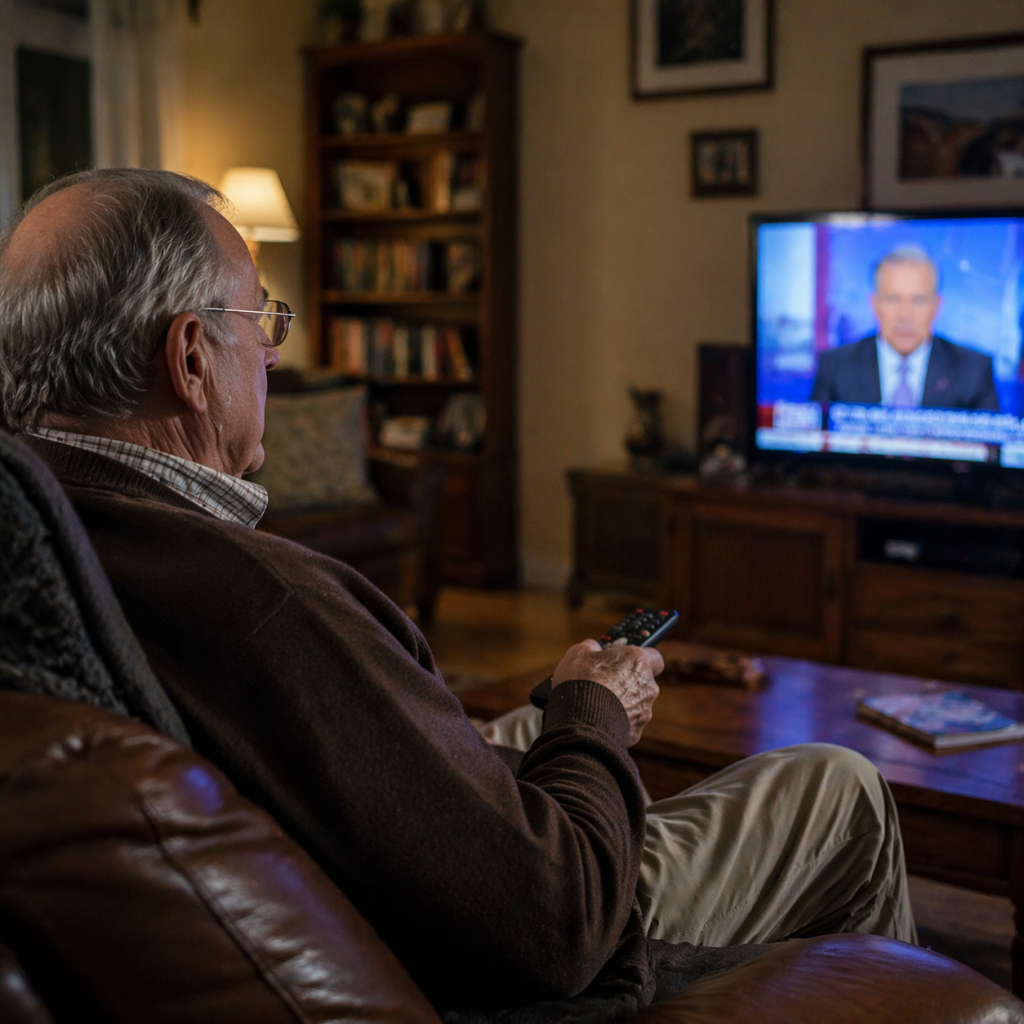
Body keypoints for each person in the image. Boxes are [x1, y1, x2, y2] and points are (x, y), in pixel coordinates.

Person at [0, 169, 916, 1017]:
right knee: (838, 783)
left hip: (393, 844)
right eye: (261, 321)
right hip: (533, 938)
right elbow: (554, 920)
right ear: (193, 358)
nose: (272, 357)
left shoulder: (44, 543)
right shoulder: (273, 605)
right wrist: (594, 718)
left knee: (520, 722)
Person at [811, 245, 1000, 411]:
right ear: (874, 304)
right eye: (893, 299)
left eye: (918, 300)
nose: (905, 315)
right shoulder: (836, 366)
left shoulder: (973, 370)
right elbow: (811, 445)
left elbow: (991, 449)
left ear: (937, 306)